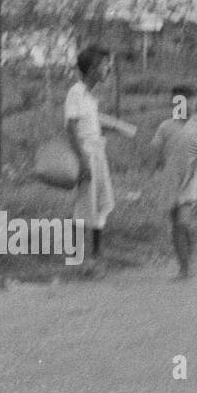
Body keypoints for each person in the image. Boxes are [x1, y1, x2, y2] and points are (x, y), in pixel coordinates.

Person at [65, 45, 135, 267]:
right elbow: (70, 128)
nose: (109, 69)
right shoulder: (76, 92)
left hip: (97, 154)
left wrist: (118, 126)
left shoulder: (89, 96)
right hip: (86, 155)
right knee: (84, 205)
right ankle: (77, 259)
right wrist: (82, 160)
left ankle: (96, 255)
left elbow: (92, 123)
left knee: (101, 202)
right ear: (93, 68)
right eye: (105, 65)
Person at [149, 85, 197, 279]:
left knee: (183, 222)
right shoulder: (166, 126)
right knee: (175, 224)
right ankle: (183, 266)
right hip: (170, 179)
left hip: (191, 178)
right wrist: (153, 172)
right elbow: (157, 152)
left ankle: (189, 259)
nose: (189, 106)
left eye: (192, 101)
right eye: (182, 102)